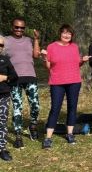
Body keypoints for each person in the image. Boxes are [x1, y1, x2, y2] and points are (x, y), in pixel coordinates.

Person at [40, 24, 90, 149]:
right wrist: (45, 58)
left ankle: (70, 134)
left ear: (72, 35)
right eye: (64, 33)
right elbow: (48, 66)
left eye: (69, 33)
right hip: (57, 82)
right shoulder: (51, 47)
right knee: (55, 108)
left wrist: (82, 60)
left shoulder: (74, 47)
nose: (67, 35)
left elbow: (75, 63)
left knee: (72, 108)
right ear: (60, 34)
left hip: (74, 81)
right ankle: (48, 138)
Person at [5, 17, 41, 148]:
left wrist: (36, 39)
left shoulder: (29, 40)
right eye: (16, 27)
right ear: (12, 27)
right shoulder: (6, 40)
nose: (19, 30)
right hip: (14, 79)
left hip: (30, 76)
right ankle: (18, 135)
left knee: (35, 105)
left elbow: (36, 55)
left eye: (22, 28)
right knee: (17, 108)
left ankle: (33, 126)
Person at [0, 35, 18, 161]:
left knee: (2, 123)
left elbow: (15, 77)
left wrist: (5, 78)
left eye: (1, 45)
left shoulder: (5, 60)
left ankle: (2, 149)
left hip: (3, 95)